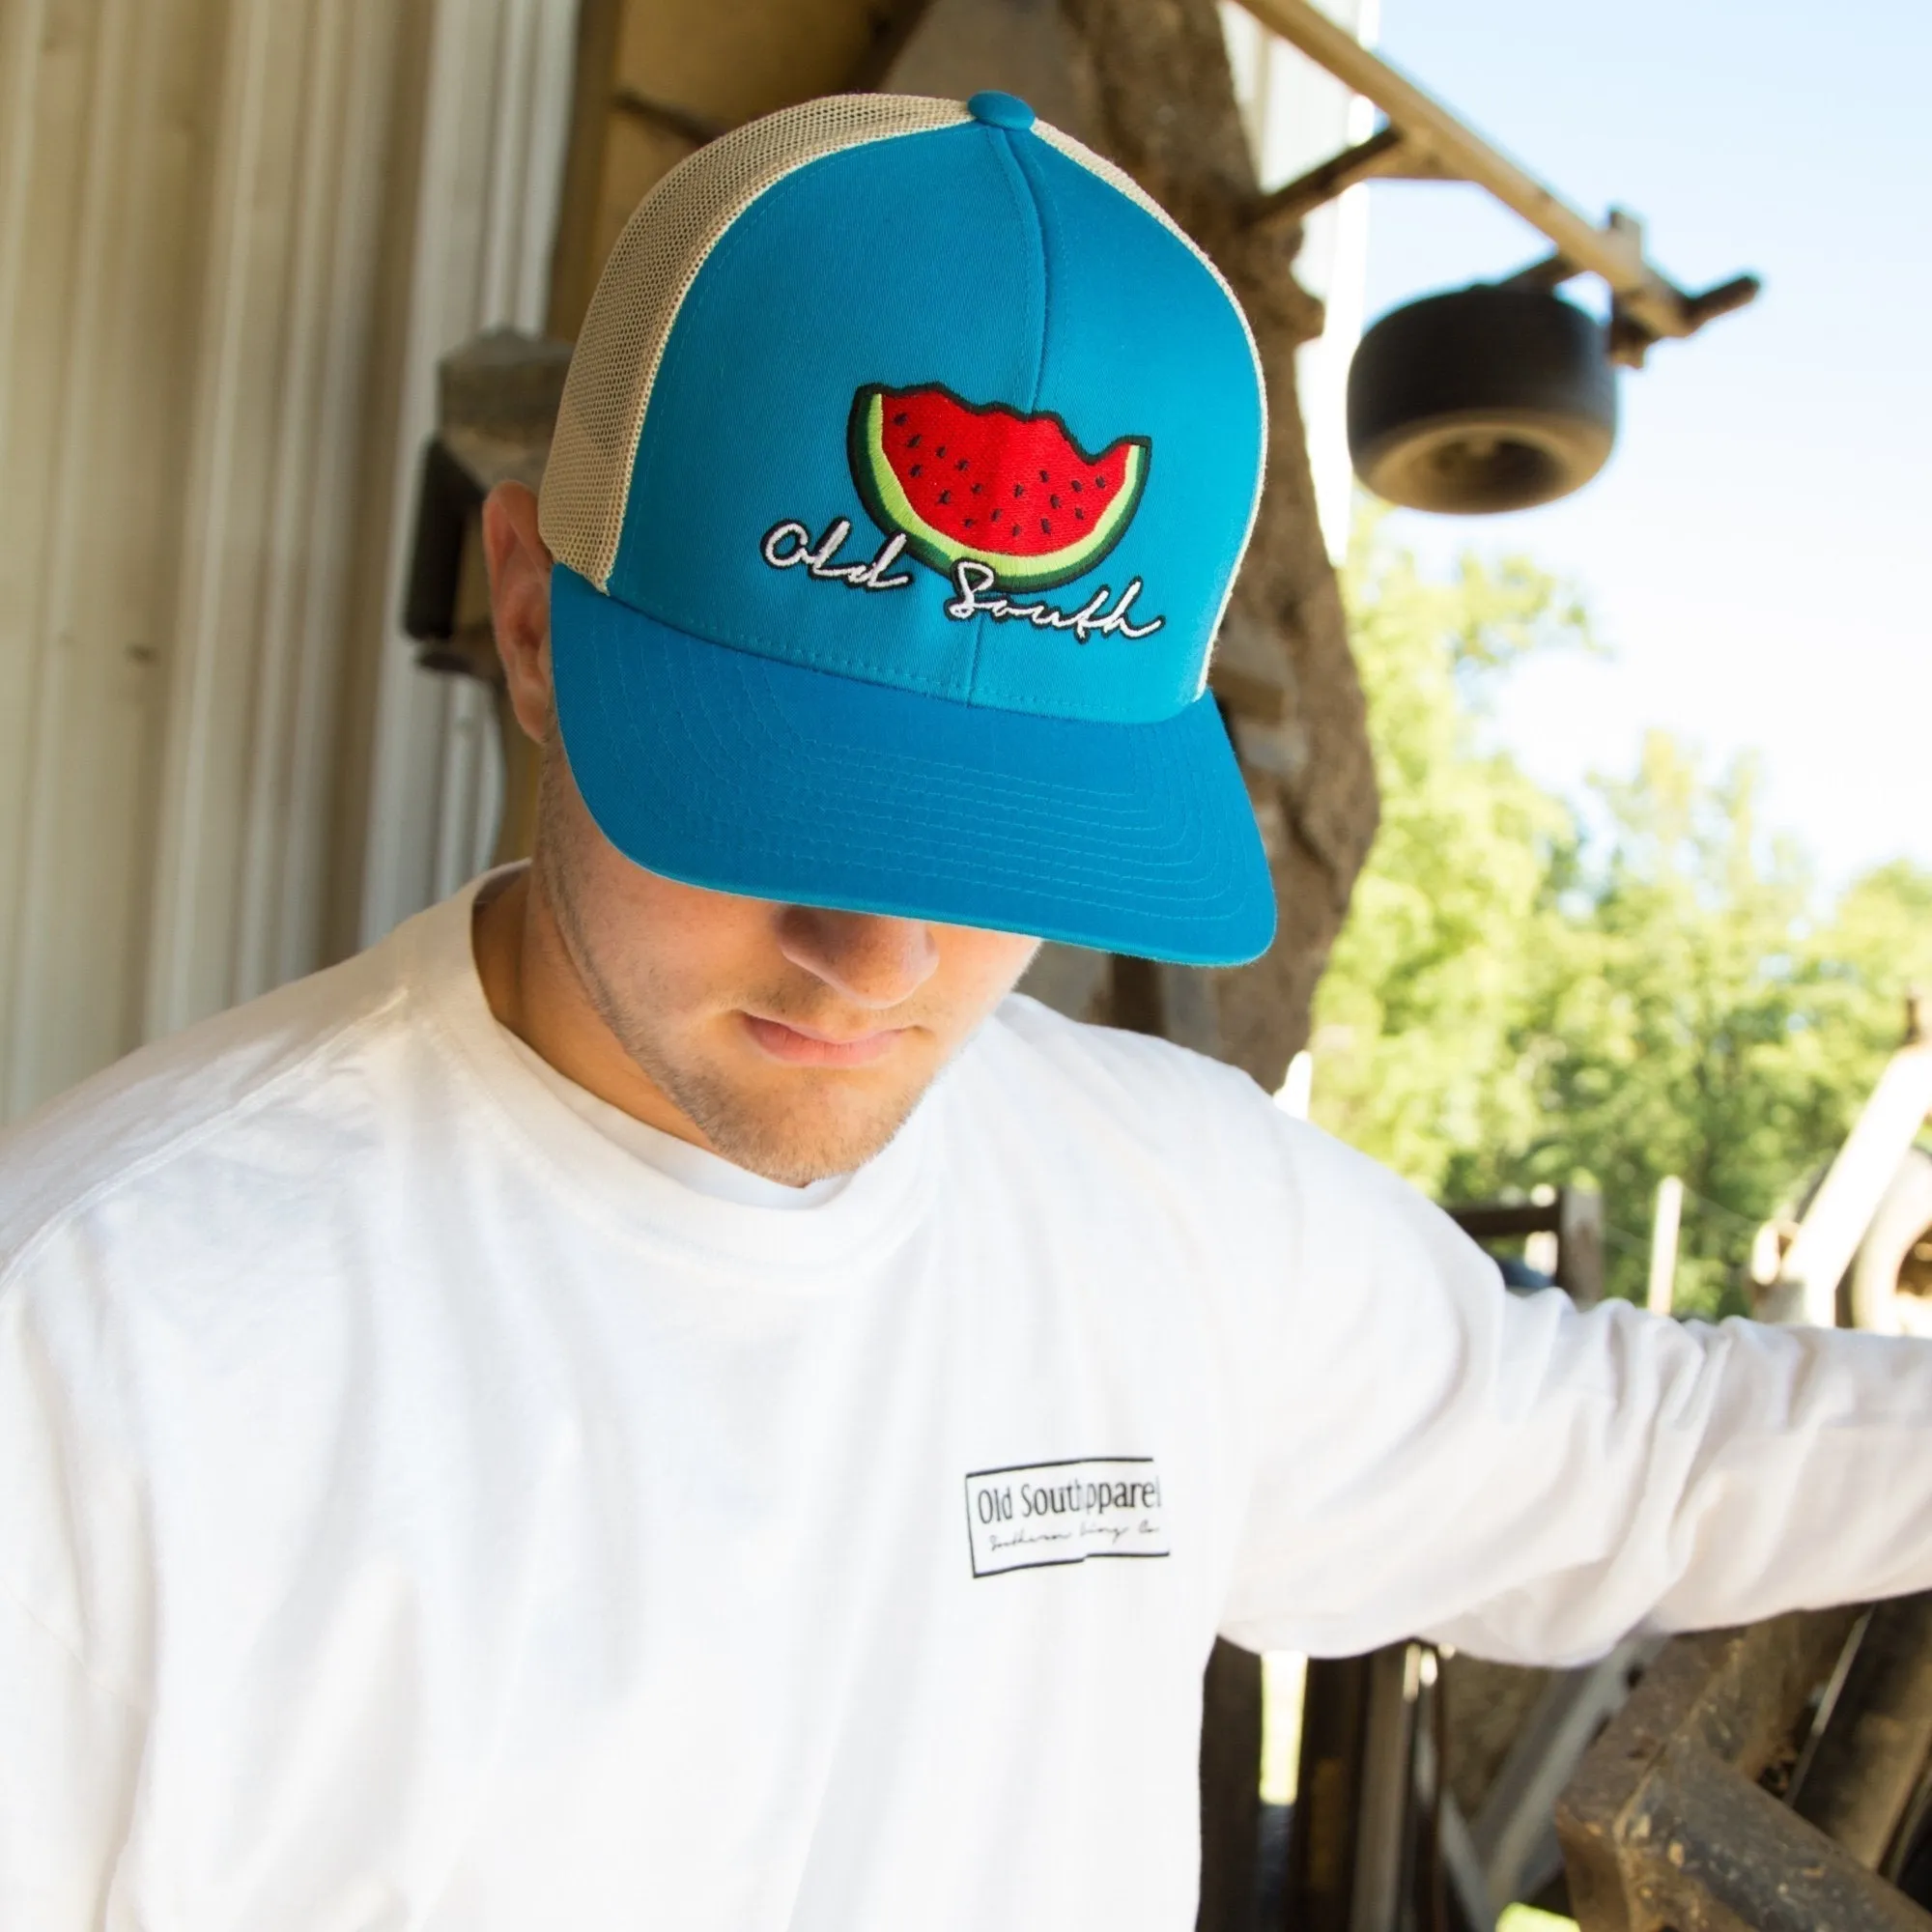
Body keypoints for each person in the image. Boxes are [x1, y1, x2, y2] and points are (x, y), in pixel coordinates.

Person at [3, 89, 1929, 1932]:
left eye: (991, 835)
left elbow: (1634, 1455)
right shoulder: (100, 1343)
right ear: (529, 623)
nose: (877, 952)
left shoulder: (1161, 1207)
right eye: (774, 797)